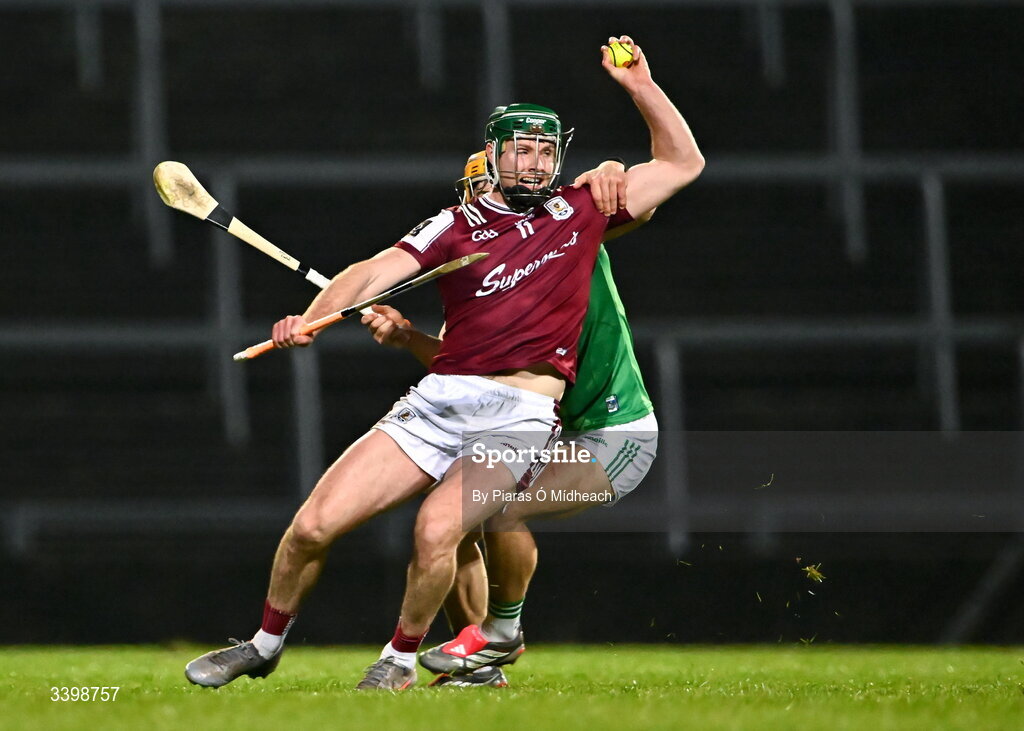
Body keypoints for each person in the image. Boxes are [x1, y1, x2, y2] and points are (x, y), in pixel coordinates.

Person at [184, 35, 703, 691]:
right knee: (310, 527)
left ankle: (402, 658)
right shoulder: (454, 229)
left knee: (441, 528)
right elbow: (371, 270)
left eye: (546, 150)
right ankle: (262, 643)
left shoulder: (582, 211)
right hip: (438, 401)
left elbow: (683, 163)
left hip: (524, 415)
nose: (535, 161)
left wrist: (640, 89)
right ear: (491, 156)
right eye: (521, 148)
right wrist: (313, 317)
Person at [363, 152, 658, 688]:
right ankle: (476, 666)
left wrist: (611, 170)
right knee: (455, 519)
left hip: (616, 436)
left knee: (501, 510)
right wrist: (407, 338)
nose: (481, 207)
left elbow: (642, 201)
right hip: (544, 427)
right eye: (475, 194)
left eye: (489, 191)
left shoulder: (562, 242)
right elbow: (473, 370)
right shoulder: (483, 277)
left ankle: (503, 634)